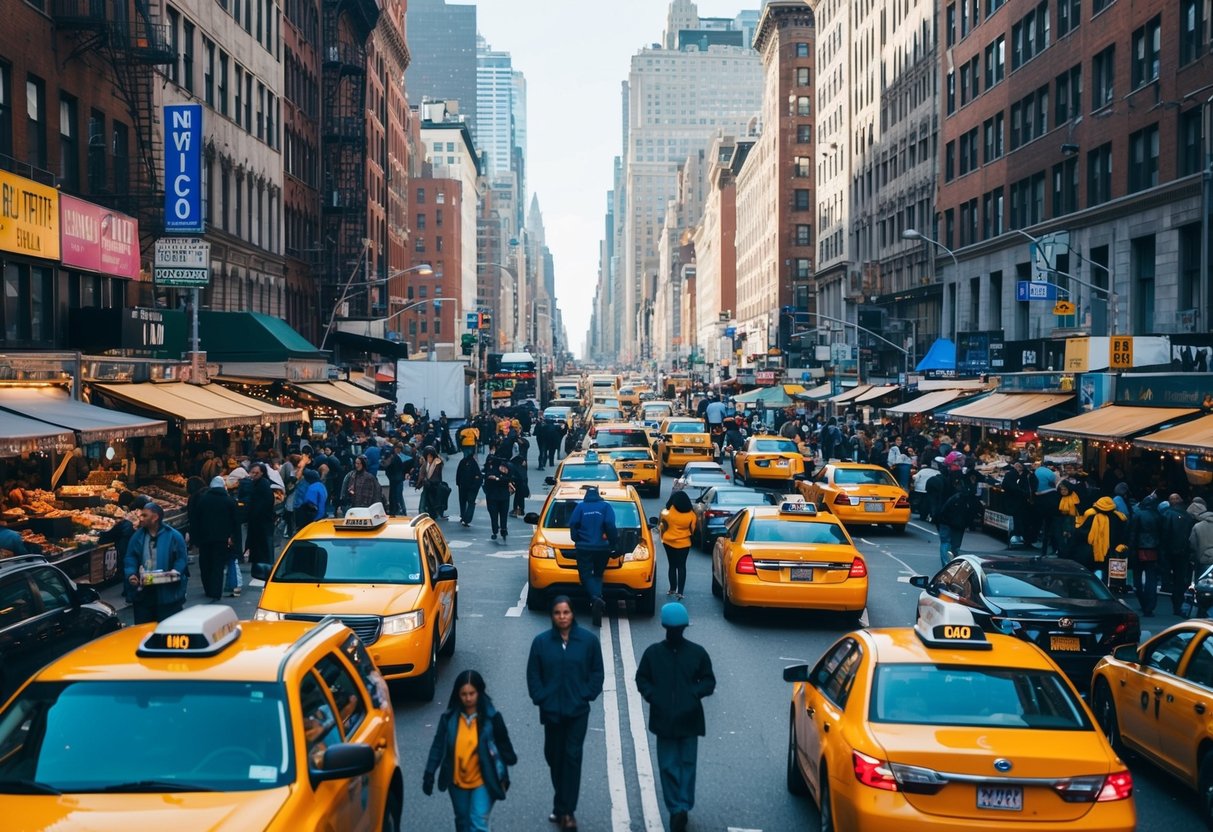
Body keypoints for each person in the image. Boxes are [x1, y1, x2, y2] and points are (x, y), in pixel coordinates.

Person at [634, 602, 716, 832]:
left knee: (669, 765)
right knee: (682, 765)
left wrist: (654, 696)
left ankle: (677, 808)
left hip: (672, 718)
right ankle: (680, 807)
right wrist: (693, 694)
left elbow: (642, 680)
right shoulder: (694, 652)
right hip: (683, 717)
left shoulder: (655, 653)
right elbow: (708, 682)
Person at [526, 597, 604, 832]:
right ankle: (561, 804)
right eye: (558, 613)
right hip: (551, 712)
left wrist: (586, 694)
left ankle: (567, 811)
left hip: (577, 711)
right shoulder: (541, 643)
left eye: (566, 612)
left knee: (572, 757)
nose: (562, 617)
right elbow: (533, 674)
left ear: (573, 614)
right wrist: (541, 697)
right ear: (552, 616)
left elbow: (597, 672)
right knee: (554, 757)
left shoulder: (588, 642)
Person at [422, 670, 518, 832]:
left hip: (484, 780)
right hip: (457, 781)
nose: (468, 698)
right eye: (463, 694)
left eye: (472, 693)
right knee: (463, 821)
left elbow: (504, 745)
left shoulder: (492, 718)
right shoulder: (449, 719)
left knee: (477, 822)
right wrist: (429, 773)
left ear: (479, 692)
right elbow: (438, 746)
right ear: (457, 695)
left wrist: (507, 761)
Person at [123, 502, 189, 624]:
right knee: (144, 630)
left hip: (168, 593)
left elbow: (181, 558)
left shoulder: (173, 536)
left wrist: (176, 571)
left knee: (167, 630)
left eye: (144, 515)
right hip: (144, 592)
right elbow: (130, 557)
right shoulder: (137, 536)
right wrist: (131, 573)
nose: (140, 518)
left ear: (155, 517)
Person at [568, 485, 618, 627]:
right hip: (602, 547)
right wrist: (612, 541)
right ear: (598, 494)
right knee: (598, 574)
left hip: (584, 547)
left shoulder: (581, 507)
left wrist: (576, 538)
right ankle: (597, 599)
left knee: (585, 575)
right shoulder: (605, 507)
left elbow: (573, 523)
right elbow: (609, 523)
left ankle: (595, 598)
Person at [191, 476, 239, 601]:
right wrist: (233, 538)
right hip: (221, 538)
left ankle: (207, 588)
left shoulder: (203, 500)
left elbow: (196, 520)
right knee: (218, 564)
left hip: (205, 538)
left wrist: (195, 538)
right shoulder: (229, 501)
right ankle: (216, 591)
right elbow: (235, 522)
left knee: (205, 563)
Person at [1074, 497, 1130, 588]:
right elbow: (1123, 534)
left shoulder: (1090, 514)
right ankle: (1111, 589)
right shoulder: (1119, 517)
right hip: (1112, 551)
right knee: (1109, 576)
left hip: (1091, 551)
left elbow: (1081, 532)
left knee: (1089, 574)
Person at [934, 472, 983, 568]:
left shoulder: (954, 497)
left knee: (945, 542)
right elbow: (972, 515)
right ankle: (952, 564)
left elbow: (943, 510)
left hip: (946, 522)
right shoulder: (970, 503)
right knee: (955, 546)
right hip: (957, 524)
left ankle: (946, 564)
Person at [1163, 495, 1199, 615]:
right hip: (1183, 551)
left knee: (1169, 575)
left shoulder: (1167, 514)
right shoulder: (1188, 516)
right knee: (1180, 578)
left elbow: (1165, 534)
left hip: (1169, 551)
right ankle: (1178, 602)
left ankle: (1173, 596)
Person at [1128, 494, 1163, 616]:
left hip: (1139, 549)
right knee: (1151, 579)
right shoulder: (1158, 515)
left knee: (1137, 579)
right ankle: (1149, 605)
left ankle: (1144, 604)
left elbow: (1133, 533)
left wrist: (1131, 549)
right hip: (1153, 548)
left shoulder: (1138, 514)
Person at [659, 491, 697, 600]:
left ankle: (672, 588)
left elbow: (662, 526)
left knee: (672, 565)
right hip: (684, 544)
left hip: (668, 542)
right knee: (682, 566)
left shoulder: (667, 513)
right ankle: (680, 592)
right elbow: (693, 530)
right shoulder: (691, 515)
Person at [245, 463, 276, 580]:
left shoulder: (262, 485)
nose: (253, 475)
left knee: (262, 548)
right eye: (251, 472)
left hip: (261, 523)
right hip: (260, 523)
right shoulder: (258, 484)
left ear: (262, 473)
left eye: (255, 473)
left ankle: (263, 572)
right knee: (261, 548)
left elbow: (261, 505)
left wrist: (252, 514)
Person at [482, 455, 514, 542]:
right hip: (499, 496)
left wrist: (496, 479)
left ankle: (499, 529)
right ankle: (499, 529)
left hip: (495, 496)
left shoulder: (491, 472)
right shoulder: (504, 471)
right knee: (497, 514)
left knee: (497, 514)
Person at [418, 446, 449, 520]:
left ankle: (426, 512)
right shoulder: (425, 462)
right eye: (427, 456)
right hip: (428, 484)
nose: (429, 458)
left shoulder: (437, 463)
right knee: (426, 498)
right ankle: (424, 512)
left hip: (433, 485)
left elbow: (435, 475)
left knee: (431, 500)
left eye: (430, 456)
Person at [456, 451, 484, 528]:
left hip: (463, 486)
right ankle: (467, 518)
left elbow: (458, 473)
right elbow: (479, 476)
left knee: (462, 501)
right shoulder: (474, 464)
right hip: (472, 487)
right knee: (471, 502)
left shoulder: (462, 462)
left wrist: (458, 483)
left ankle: (462, 515)